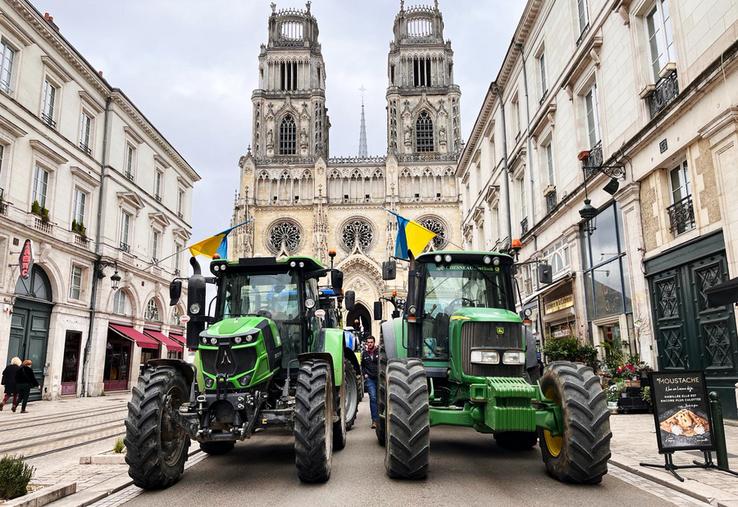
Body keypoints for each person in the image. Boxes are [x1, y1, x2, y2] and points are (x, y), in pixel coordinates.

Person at [361, 336, 379, 429]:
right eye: (368, 342)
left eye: (371, 342)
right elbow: (362, 366)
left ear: (374, 342)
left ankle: (381, 419)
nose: (370, 344)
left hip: (379, 378)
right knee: (373, 397)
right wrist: (365, 374)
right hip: (370, 379)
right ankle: (374, 420)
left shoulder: (378, 352)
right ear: (366, 344)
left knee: (379, 398)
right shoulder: (364, 354)